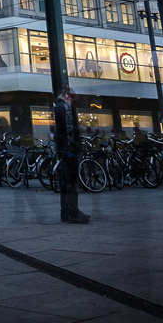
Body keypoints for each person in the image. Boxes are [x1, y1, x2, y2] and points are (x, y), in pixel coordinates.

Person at [53, 84, 89, 224]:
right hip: (69, 151)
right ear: (68, 97)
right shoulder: (66, 108)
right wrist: (74, 147)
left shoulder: (57, 107)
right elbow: (69, 130)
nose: (73, 102)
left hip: (63, 150)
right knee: (71, 182)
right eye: (73, 99)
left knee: (65, 183)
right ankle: (73, 213)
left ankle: (66, 212)